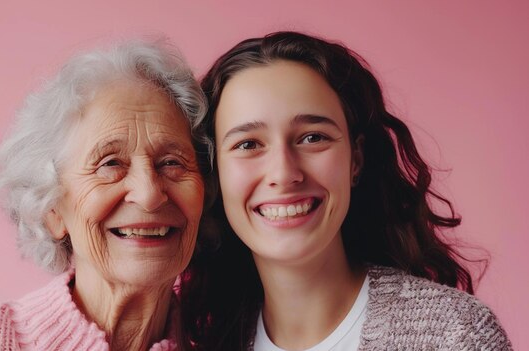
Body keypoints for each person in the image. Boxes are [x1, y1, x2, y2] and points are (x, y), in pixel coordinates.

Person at [180, 31, 512, 350]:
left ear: (355, 160)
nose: (283, 173)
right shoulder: (198, 341)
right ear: (214, 174)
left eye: (313, 137)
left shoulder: (456, 336)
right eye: (248, 144)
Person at [0, 39, 209, 351]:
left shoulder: (240, 341)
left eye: (172, 162)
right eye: (110, 163)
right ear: (51, 208)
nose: (149, 194)